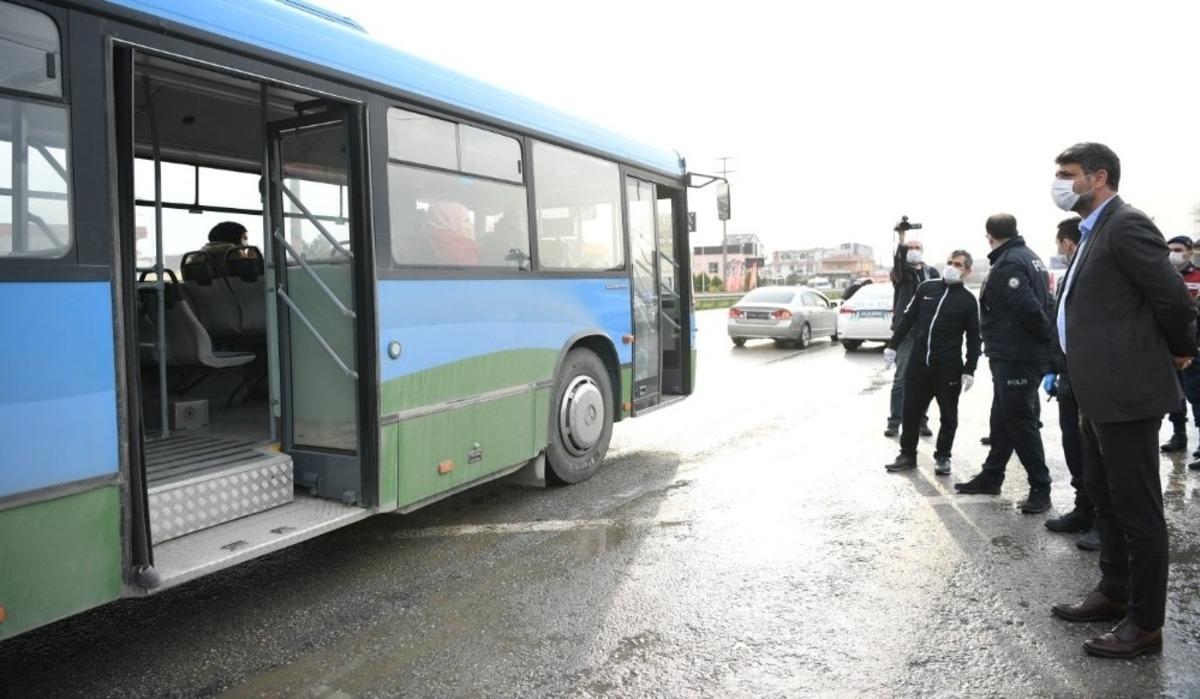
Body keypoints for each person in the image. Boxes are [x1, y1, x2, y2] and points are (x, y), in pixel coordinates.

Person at [1047, 142, 1196, 659]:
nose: (1060, 183)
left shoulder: (1127, 223)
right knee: (1105, 497)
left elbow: (1171, 295)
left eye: (1068, 174)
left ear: (1099, 177)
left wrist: (1181, 350)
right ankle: (1114, 591)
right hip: (1094, 389)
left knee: (1137, 508)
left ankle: (1146, 623)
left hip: (1127, 391)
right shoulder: (1091, 233)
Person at [954, 214, 1055, 515]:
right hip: (1013, 354)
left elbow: (1031, 309)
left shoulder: (1009, 263)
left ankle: (1041, 487)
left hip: (1017, 356)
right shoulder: (1028, 257)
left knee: (1020, 422)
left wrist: (1043, 344)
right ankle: (992, 475)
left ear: (989, 236)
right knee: (1002, 418)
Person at [883, 250, 981, 475]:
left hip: (947, 368)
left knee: (948, 415)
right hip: (918, 364)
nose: (951, 267)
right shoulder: (927, 288)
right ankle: (907, 454)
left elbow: (974, 338)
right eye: (949, 262)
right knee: (910, 411)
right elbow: (907, 319)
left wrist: (969, 369)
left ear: (967, 271)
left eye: (957, 264)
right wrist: (892, 346)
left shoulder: (967, 301)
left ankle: (943, 457)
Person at [1042, 217, 1100, 551]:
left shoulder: (1094, 268)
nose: (1059, 251)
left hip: (1093, 376)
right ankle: (1083, 509)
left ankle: (1106, 524)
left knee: (1098, 454)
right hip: (1069, 376)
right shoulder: (1068, 274)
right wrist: (1054, 368)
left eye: (1059, 244)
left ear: (1066, 242)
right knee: (1074, 447)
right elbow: (1059, 323)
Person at [886, 232, 939, 438]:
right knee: (901, 378)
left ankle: (921, 419)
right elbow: (899, 262)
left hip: (926, 332)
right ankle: (894, 421)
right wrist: (901, 237)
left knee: (925, 380)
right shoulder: (901, 273)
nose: (913, 251)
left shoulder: (931, 272)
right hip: (906, 333)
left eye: (917, 248)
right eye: (910, 248)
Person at [1160, 235, 1200, 454]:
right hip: (1170, 345)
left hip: (1195, 345)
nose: (1173, 255)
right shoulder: (1164, 277)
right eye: (1169, 251)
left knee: (1196, 393)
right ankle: (1179, 435)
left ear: (1189, 251)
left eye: (1177, 250)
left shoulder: (1198, 275)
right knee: (1175, 394)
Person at [424, 201, 479, 265]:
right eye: (465, 221)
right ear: (451, 221)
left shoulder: (427, 242)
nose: (469, 227)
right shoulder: (465, 252)